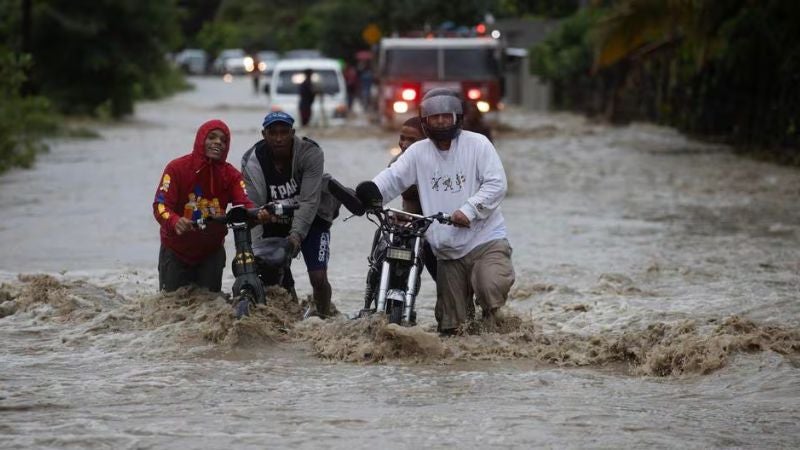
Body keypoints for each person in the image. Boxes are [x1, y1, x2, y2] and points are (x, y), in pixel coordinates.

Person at [370, 88, 515, 335]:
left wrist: (468, 210)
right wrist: (368, 193)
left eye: (446, 116)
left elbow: (497, 184)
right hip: (446, 251)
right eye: (434, 117)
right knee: (452, 329)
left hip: (484, 240)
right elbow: (392, 179)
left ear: (457, 118)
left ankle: (498, 333)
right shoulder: (417, 152)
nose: (440, 121)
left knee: (489, 287)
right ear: (425, 120)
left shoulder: (478, 144)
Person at [241, 111, 340, 318]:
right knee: (272, 275)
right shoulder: (252, 161)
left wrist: (296, 237)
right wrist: (256, 252)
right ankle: (289, 320)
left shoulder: (310, 153)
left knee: (318, 277)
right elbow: (254, 208)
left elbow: (309, 201)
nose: (278, 138)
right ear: (263, 134)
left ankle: (325, 318)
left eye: (284, 132)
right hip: (273, 220)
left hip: (313, 217)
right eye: (273, 133)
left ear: (292, 133)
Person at [153, 119, 255, 292]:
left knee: (210, 310)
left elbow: (245, 204)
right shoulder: (176, 168)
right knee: (170, 309)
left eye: (223, 140)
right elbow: (160, 206)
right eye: (212, 137)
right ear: (201, 140)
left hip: (211, 253)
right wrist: (175, 221)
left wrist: (259, 214)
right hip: (175, 251)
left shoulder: (232, 176)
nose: (218, 142)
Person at [386, 116, 437, 281]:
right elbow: (385, 188)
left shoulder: (440, 163)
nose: (405, 144)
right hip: (413, 217)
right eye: (402, 138)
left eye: (412, 140)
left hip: (439, 220)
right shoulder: (397, 163)